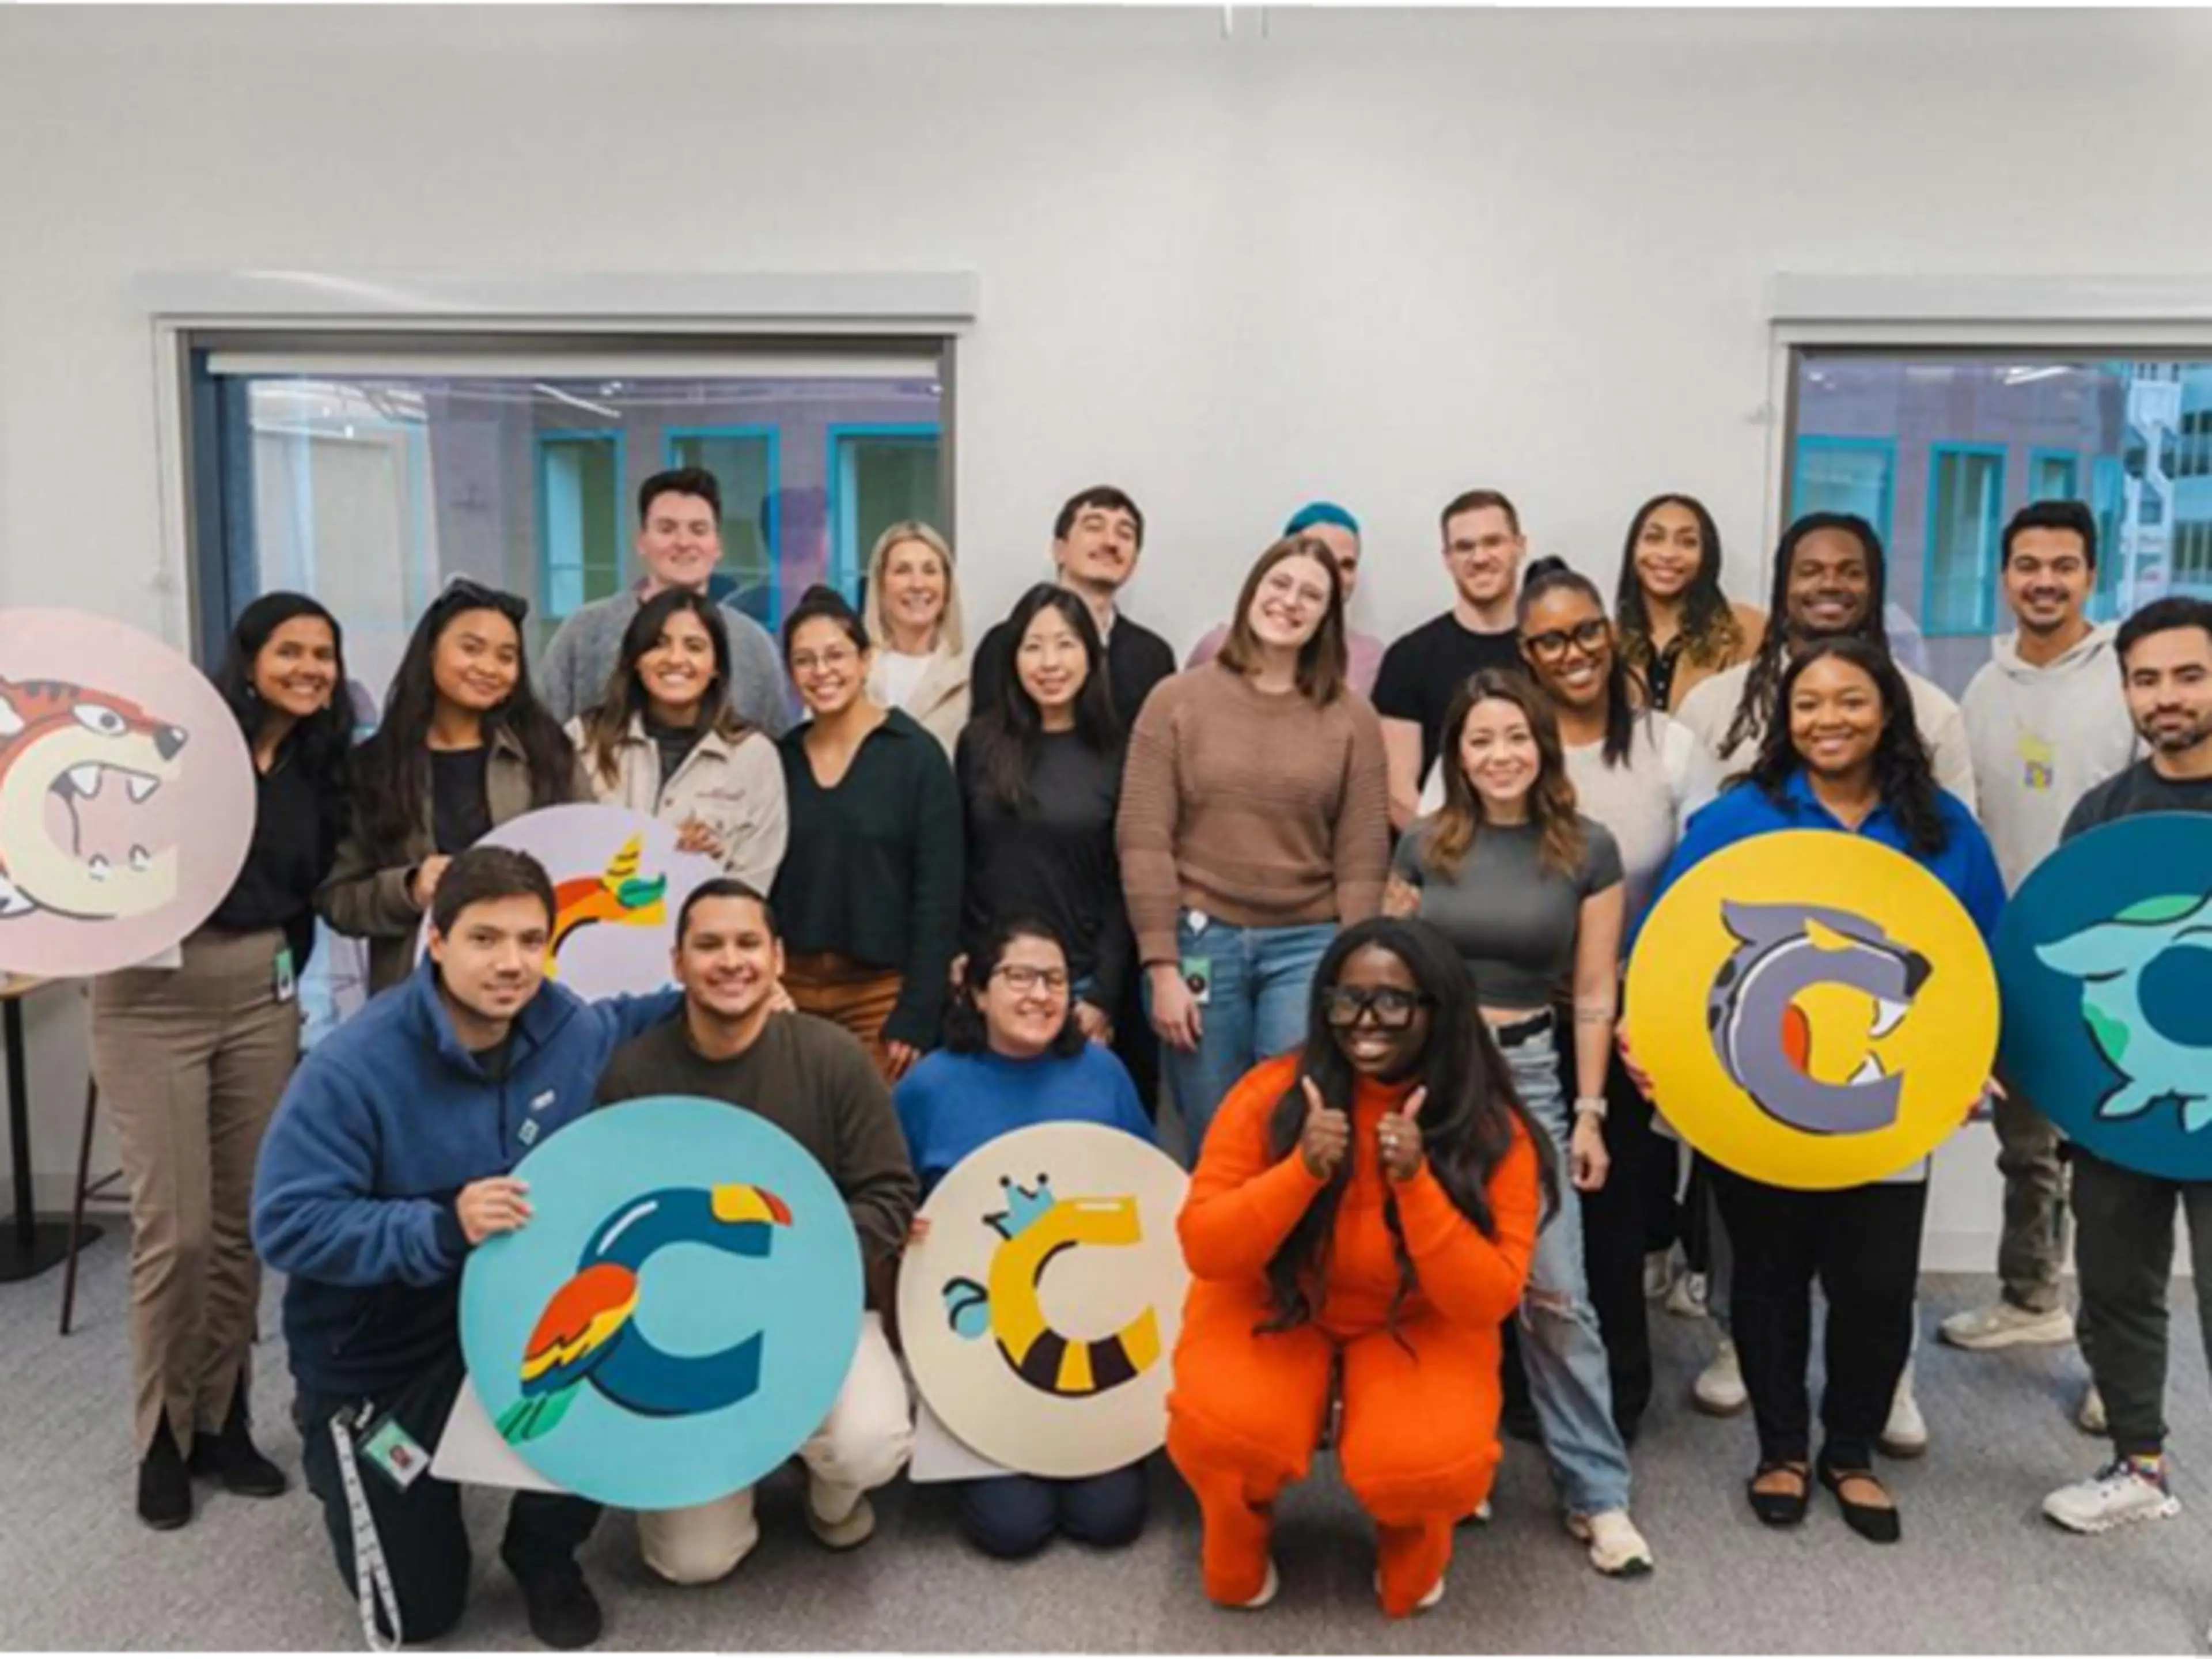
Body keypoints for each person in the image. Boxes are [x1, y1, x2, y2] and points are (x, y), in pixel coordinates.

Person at [253, 847, 685, 1651]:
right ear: (437, 941)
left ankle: (543, 1548)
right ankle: (346, 1441)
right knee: (417, 1613)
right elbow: (286, 1223)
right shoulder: (355, 1067)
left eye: (530, 941)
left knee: (618, 1341)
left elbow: (633, 1016)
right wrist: (440, 1227)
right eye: (485, 939)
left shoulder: (569, 1028)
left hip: (513, 1315)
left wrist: (733, 994)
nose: (511, 964)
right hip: (382, 1353)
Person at [1635, 639, 2005, 1544]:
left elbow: (1982, 964)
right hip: (1753, 1098)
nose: (1827, 719)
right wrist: (1648, 1044)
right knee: (1765, 1278)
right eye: (1807, 704)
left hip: (1887, 1103)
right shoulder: (1738, 819)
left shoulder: (1943, 828)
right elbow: (1667, 948)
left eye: (1849, 701)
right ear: (1783, 718)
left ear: (1888, 714)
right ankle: (1782, 1450)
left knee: (1875, 1287)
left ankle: (1849, 1452)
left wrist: (1974, 1065)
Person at [1166, 918, 1550, 1616]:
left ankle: (1413, 1539)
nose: (1365, 1021)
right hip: (1281, 1304)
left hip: (1416, 1317)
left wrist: (1418, 1185)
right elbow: (1205, 1248)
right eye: (1347, 1001)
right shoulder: (1270, 1093)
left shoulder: (1492, 1128)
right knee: (1225, 1428)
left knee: (1428, 1462)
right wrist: (1300, 1173)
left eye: (1393, 1002)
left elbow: (1486, 1300)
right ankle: (1234, 1536)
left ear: (1440, 1010)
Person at [92, 593, 351, 1530]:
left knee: (245, 1227)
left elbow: (319, 888)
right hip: (149, 991)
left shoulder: (324, 769)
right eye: (291, 651)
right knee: (178, 1233)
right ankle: (159, 1436)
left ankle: (221, 1420)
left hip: (260, 990)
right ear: (247, 660)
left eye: (325, 654)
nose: (310, 668)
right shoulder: (177, 747)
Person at [1386, 671, 1654, 1574]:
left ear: (1542, 745)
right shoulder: (1423, 846)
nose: (1499, 756)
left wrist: (1587, 1115)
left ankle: (1598, 1495)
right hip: (1437, 1077)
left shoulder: (1588, 848)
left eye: (1515, 738)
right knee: (1434, 1288)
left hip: (1537, 1076)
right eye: (1478, 741)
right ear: (1456, 756)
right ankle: (1457, 1466)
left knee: (1555, 1295)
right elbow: (1393, 983)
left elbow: (1592, 989)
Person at [593, 878, 918, 1582]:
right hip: (684, 1329)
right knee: (692, 1563)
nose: (730, 961)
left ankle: (827, 1492)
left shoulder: (833, 1058)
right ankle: (733, 1466)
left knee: (872, 1443)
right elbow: (608, 1218)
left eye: (747, 944)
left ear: (777, 958)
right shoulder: (633, 1074)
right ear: (677, 962)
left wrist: (799, 1269)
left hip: (819, 1304)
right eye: (708, 945)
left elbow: (889, 1191)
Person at [1513, 558, 1715, 1442]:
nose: (1574, 652)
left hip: (1635, 1015)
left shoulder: (1670, 746)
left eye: (1587, 630)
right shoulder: (1506, 744)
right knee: (1517, 1202)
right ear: (1527, 653)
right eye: (1551, 639)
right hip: (1517, 1013)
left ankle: (1618, 1393)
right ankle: (1518, 1392)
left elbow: (1706, 880)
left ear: (1610, 630)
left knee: (1615, 1209)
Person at [1945, 501, 2137, 1380]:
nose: (2045, 581)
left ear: (2091, 575)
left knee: (2106, 1166)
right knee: (2025, 1151)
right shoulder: (1984, 687)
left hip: (2113, 956)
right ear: (2005, 575)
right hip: (2013, 954)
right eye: (2027, 565)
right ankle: (2031, 1299)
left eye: (2063, 565)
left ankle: (2116, 1367)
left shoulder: (2125, 678)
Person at [1118, 536, 1389, 1152]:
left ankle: (1287, 1250)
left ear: (1329, 616)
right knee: (1217, 1134)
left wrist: (1355, 975)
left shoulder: (1352, 719)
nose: (1290, 602)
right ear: (1252, 591)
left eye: (1311, 595)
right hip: (1198, 943)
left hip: (1308, 946)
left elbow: (1362, 857)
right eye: (1279, 584)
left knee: (1293, 1123)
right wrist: (1160, 965)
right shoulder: (1176, 700)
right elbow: (1143, 838)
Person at [896, 919, 1155, 1558]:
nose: (1041, 994)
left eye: (1057, 980)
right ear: (979, 992)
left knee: (1110, 1519)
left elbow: (1150, 1190)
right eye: (1020, 977)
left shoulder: (1104, 1074)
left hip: (1090, 1316)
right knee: (1012, 1529)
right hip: (981, 1339)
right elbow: (885, 1190)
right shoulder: (930, 1084)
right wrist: (904, 1227)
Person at [2040, 596, 2212, 1535]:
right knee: (2117, 1286)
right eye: (2147, 679)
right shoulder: (2105, 812)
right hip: (2121, 1099)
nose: (2167, 696)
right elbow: (2061, 956)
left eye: (2189, 674)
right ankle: (2138, 1466)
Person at [319, 578, 577, 994]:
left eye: (506, 656)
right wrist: (409, 888)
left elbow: (596, 853)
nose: (489, 668)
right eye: (471, 648)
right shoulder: (374, 768)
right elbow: (338, 901)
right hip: (417, 994)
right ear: (431, 651)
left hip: (533, 987)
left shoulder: (547, 754)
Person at [772, 585, 962, 1082]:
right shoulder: (778, 760)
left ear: (865, 660)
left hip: (880, 995)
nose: (822, 671)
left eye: (836, 655)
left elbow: (938, 893)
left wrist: (919, 1011)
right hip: (786, 988)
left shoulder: (915, 756)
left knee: (867, 1142)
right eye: (805, 660)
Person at [1673, 513, 1977, 810]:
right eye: (1810, 571)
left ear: (1874, 588)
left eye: (1851, 572)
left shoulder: (1934, 713)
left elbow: (1953, 842)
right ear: (1783, 587)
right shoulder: (1709, 704)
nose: (1830, 584)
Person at [956, 585, 1129, 1047]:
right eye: (1033, 647)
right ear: (1013, 659)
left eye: (1066, 645)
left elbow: (1123, 883)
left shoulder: (1118, 752)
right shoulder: (979, 744)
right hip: (991, 980)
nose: (1050, 663)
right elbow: (962, 860)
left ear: (1091, 656)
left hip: (1079, 982)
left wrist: (1106, 995)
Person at [538, 467, 791, 735]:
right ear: (642, 541)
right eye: (667, 529)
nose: (683, 542)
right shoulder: (585, 632)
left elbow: (775, 749)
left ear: (717, 546)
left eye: (698, 529)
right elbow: (542, 736)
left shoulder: (752, 644)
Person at [568, 586, 787, 891]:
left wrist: (693, 869)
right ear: (636, 659)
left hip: (707, 933)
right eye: (659, 644)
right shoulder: (584, 739)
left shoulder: (753, 757)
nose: (676, 659)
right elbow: (561, 851)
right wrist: (661, 854)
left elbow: (752, 886)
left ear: (715, 668)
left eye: (695, 647)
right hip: (593, 929)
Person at [1374, 489, 1530, 828]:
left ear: (1520, 546)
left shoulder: (1552, 650)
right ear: (1447, 558)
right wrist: (1454, 859)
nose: (1479, 557)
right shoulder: (1408, 658)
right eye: (1465, 547)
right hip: (1444, 861)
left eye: (1493, 542)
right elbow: (1398, 791)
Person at [969, 486, 1177, 735]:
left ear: (1135, 561)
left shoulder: (1154, 656)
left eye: (1125, 534)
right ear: (1060, 550)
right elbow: (984, 748)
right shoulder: (1005, 643)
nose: (1111, 542)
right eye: (1094, 527)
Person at [1188, 502, 1385, 695]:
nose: (1332, 574)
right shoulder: (1218, 647)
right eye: (1320, 556)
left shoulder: (1371, 658)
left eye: (1347, 565)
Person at [1612, 494, 1768, 712]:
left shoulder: (1746, 631)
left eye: (1687, 542)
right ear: (1633, 549)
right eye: (1654, 538)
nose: (1668, 554)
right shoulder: (1607, 639)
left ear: (1707, 555)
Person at [861, 520, 969, 755]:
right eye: (903, 571)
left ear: (948, 585)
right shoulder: (854, 671)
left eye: (930, 571)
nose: (918, 584)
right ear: (881, 584)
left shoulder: (971, 677)